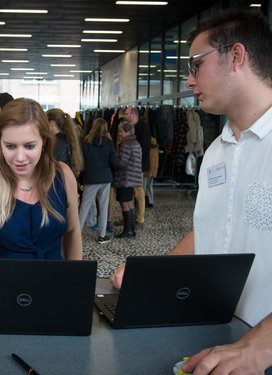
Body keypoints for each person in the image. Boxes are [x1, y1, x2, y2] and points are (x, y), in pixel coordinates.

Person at [111, 9, 272, 374]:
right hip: (219, 341)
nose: (189, 78)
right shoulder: (216, 151)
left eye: (196, 65)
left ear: (236, 57)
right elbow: (210, 230)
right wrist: (150, 275)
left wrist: (258, 350)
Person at [0, 98, 82, 260]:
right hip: (4, 280)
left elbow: (73, 231)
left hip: (56, 280)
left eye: (30, 146)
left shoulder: (63, 174)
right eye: (10, 146)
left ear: (44, 141)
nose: (20, 158)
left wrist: (74, 280)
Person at [78, 118, 118, 244]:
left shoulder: (85, 143)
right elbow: (114, 163)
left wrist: (81, 178)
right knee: (103, 206)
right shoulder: (109, 143)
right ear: (106, 128)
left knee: (84, 206)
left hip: (91, 177)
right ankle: (102, 236)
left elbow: (81, 163)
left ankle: (76, 235)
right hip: (105, 178)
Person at [114, 107, 150, 229]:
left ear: (133, 114)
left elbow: (145, 147)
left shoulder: (143, 127)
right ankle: (128, 218)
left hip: (137, 166)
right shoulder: (126, 126)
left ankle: (139, 219)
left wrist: (131, 155)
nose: (124, 115)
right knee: (128, 195)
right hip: (129, 166)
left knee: (138, 192)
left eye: (126, 113)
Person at [113, 120, 142, 238]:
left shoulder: (126, 144)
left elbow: (121, 163)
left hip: (124, 178)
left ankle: (127, 231)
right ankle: (132, 229)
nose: (120, 134)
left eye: (121, 132)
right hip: (133, 178)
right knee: (130, 204)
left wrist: (113, 160)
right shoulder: (135, 143)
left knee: (125, 204)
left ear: (128, 132)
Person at [46, 107, 84, 177]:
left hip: (59, 180)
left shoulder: (58, 142)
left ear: (51, 123)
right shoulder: (66, 138)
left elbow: (54, 166)